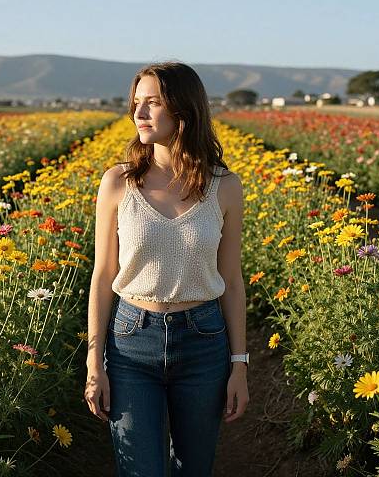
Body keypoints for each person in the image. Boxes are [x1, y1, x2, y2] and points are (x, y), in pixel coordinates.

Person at [84, 61, 249, 476]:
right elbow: (103, 276)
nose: (139, 113)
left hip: (203, 341)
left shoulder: (224, 187)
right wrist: (93, 364)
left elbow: (231, 282)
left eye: (152, 103)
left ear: (184, 110)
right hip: (130, 343)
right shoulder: (118, 183)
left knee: (193, 469)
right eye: (136, 103)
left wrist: (240, 366)